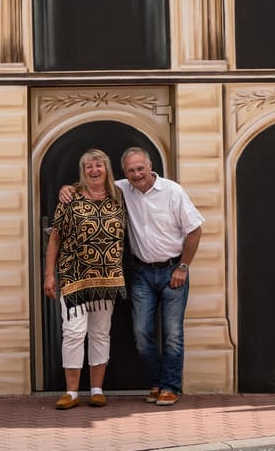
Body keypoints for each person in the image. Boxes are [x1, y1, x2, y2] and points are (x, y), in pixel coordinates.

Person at [61, 146, 203, 407]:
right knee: (141, 334)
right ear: (124, 172)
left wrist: (183, 267)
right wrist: (67, 188)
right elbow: (92, 182)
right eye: (131, 170)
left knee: (172, 334)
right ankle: (157, 381)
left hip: (174, 270)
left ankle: (169, 386)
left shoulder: (173, 191)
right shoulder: (122, 189)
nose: (137, 174)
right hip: (141, 272)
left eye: (140, 168)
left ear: (150, 166)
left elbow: (195, 230)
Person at [44, 148, 127, 410]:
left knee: (101, 334)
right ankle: (71, 392)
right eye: (89, 166)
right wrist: (49, 274)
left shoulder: (120, 196)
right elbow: (55, 238)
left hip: (107, 278)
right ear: (83, 170)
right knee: (74, 333)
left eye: (99, 165)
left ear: (106, 169)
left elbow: (145, 181)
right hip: (74, 276)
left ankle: (96, 390)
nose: (94, 170)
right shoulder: (70, 198)